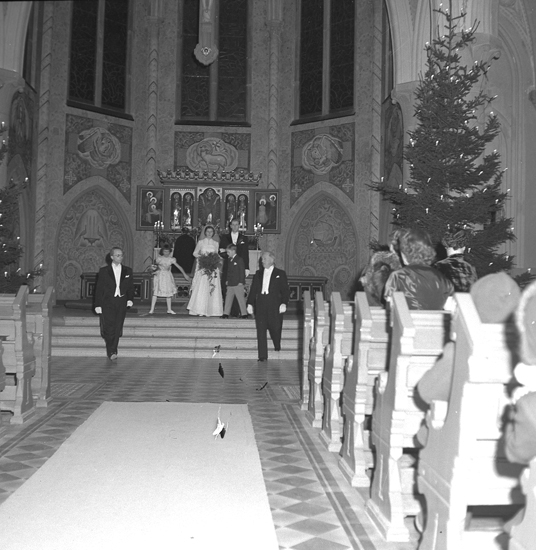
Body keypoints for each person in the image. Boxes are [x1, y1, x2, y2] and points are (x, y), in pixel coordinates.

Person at [383, 227, 454, 310]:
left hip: (407, 318)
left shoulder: (398, 276)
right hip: (434, 318)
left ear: (406, 251)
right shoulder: (442, 279)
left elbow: (391, 310)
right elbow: (450, 310)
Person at [246, 251, 290, 361]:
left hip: (274, 303)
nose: (262, 261)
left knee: (275, 327)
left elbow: (285, 290)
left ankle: (277, 343)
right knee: (261, 329)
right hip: (261, 302)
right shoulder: (258, 274)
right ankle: (262, 356)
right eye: (262, 259)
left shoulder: (280, 273)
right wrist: (250, 303)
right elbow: (253, 290)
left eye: (264, 258)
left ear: (272, 259)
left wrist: (284, 303)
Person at [94, 247, 134, 361]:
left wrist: (130, 299)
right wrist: (97, 305)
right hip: (107, 302)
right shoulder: (104, 271)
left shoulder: (128, 270)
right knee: (109, 327)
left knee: (118, 327)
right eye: (117, 255)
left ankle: (113, 351)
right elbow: (99, 289)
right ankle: (111, 350)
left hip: (121, 301)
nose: (120, 257)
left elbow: (130, 287)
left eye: (121, 255)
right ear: (112, 257)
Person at [187, 225, 223, 317]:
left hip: (213, 267)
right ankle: (200, 309)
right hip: (203, 266)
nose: (209, 233)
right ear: (205, 232)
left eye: (211, 231)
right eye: (208, 231)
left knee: (212, 286)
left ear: (213, 233)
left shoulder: (216, 243)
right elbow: (194, 253)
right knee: (202, 286)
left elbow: (216, 254)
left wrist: (214, 260)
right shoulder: (201, 242)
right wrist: (203, 258)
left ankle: (212, 310)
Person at [219, 217, 250, 314]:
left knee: (238, 288)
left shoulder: (244, 238)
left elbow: (245, 253)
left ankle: (237, 311)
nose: (235, 226)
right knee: (227, 287)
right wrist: (229, 256)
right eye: (233, 224)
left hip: (239, 266)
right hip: (228, 266)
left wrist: (246, 267)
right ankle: (228, 311)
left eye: (237, 224)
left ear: (239, 226)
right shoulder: (224, 237)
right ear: (230, 226)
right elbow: (221, 251)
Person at [149, 244, 190, 315]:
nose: (166, 253)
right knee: (156, 292)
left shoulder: (171, 259)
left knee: (168, 293)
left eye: (167, 251)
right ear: (162, 251)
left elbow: (179, 267)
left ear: (170, 252)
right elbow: (154, 266)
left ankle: (169, 309)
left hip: (167, 276)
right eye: (165, 251)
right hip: (160, 276)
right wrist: (153, 270)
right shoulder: (159, 258)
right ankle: (152, 309)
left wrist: (184, 274)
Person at [221, 244, 248, 319]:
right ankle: (226, 313)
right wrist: (227, 280)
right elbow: (229, 271)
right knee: (228, 298)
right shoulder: (229, 260)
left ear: (233, 251)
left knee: (240, 299)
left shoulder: (239, 259)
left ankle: (244, 313)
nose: (227, 254)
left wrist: (241, 281)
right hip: (230, 283)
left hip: (238, 283)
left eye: (228, 252)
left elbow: (242, 271)